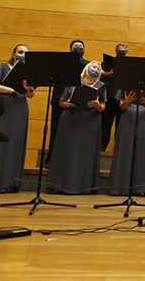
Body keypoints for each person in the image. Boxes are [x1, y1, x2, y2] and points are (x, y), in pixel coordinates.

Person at [0, 44, 34, 193]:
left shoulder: (29, 73)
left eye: (26, 53)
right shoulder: (3, 67)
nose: (23, 55)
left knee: (14, 144)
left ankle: (8, 183)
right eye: (20, 52)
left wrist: (29, 89)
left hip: (20, 108)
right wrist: (11, 90)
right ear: (13, 54)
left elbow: (30, 95)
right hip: (2, 106)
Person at [47, 61, 106, 194]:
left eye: (98, 68)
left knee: (85, 154)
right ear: (87, 68)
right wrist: (66, 104)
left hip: (90, 122)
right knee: (67, 151)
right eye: (93, 67)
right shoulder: (73, 82)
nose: (95, 70)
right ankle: (60, 185)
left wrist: (97, 105)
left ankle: (83, 187)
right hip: (71, 119)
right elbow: (61, 101)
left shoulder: (101, 85)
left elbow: (103, 107)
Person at [46, 39, 89, 163]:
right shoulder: (61, 63)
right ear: (70, 49)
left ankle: (72, 160)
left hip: (78, 101)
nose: (78, 48)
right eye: (75, 46)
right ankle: (51, 159)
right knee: (56, 130)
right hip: (58, 99)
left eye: (81, 46)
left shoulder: (87, 65)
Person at [108, 88, 145, 196]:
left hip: (144, 120)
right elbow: (121, 106)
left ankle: (139, 188)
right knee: (125, 151)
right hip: (127, 119)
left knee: (141, 152)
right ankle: (120, 187)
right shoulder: (125, 86)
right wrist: (127, 101)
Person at [100, 42, 129, 151]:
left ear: (127, 53)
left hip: (123, 100)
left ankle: (119, 150)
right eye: (119, 52)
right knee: (106, 124)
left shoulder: (131, 65)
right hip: (110, 97)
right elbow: (100, 77)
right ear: (116, 52)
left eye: (124, 52)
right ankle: (102, 148)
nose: (122, 54)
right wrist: (109, 74)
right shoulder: (107, 64)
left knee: (121, 126)